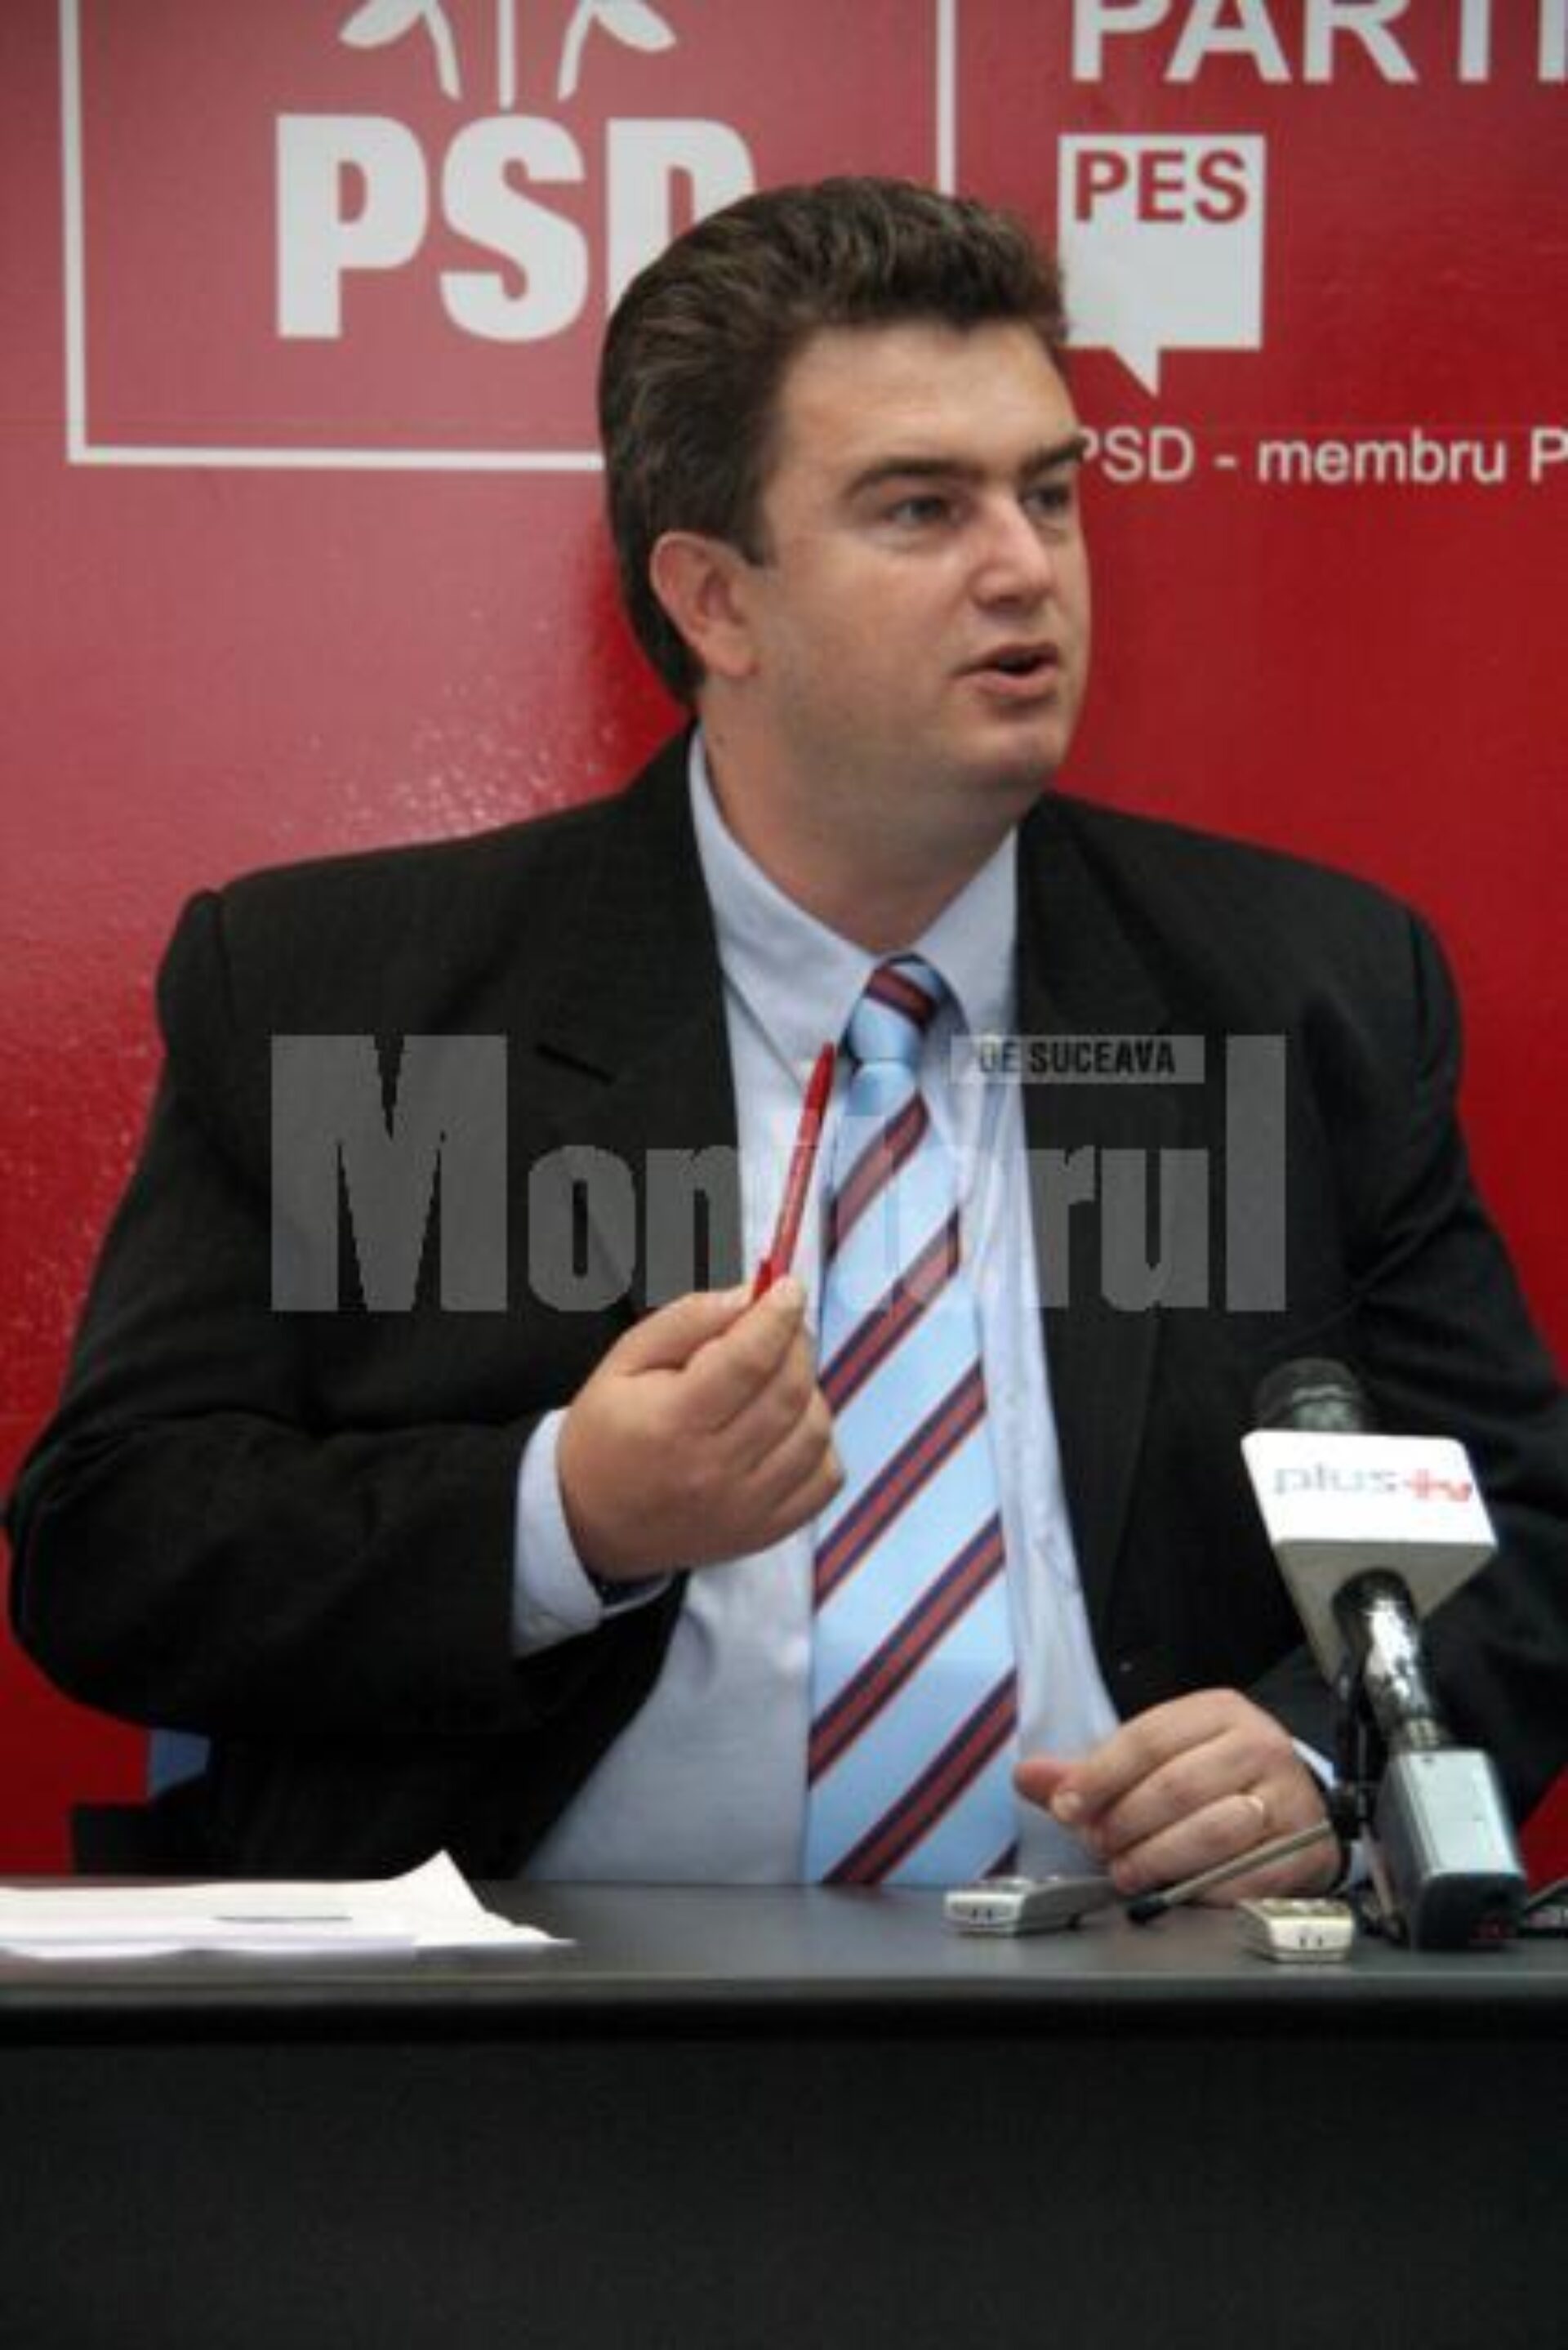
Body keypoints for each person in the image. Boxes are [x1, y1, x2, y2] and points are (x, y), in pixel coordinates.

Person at [8, 179, 1566, 1887]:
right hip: (523, 2004)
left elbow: (1524, 1527)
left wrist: (1318, 1755)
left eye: (1049, 493)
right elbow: (113, 1541)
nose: (1025, 567)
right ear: (714, 600)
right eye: (922, 507)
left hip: (1141, 1998)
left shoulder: (1301, 989)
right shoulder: (356, 997)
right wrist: (562, 1515)